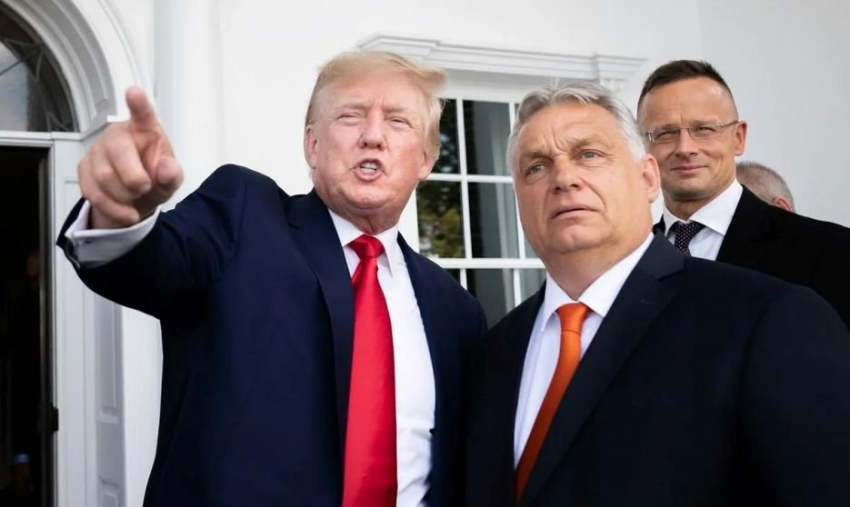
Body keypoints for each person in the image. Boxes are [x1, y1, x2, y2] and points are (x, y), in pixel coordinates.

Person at [57, 51, 486, 507]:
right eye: (351, 115)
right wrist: (120, 212)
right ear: (312, 145)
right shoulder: (242, 215)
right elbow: (150, 263)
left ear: (425, 159)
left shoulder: (456, 311)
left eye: (398, 121)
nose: (373, 136)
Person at [463, 82, 850, 506]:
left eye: (589, 154)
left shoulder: (767, 319)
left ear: (648, 178)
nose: (564, 178)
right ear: (517, 196)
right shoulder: (493, 354)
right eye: (536, 166)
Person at [637, 59, 850, 326]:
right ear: (641, 149)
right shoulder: (627, 259)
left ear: (738, 138)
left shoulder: (830, 250)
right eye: (665, 133)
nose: (685, 148)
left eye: (703, 129)